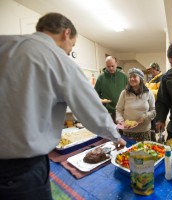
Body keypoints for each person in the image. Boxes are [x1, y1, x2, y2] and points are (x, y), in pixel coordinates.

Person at [0, 13, 126, 200]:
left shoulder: (5, 44)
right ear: (66, 33)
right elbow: (92, 110)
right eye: (72, 45)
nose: (69, 51)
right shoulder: (59, 59)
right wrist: (116, 137)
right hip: (20, 170)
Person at [116, 68, 156, 141]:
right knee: (128, 152)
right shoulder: (124, 93)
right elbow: (118, 110)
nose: (131, 79)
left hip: (144, 131)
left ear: (140, 78)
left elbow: (153, 111)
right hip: (128, 131)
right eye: (130, 77)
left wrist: (144, 117)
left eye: (134, 76)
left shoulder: (148, 93)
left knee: (144, 152)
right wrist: (121, 121)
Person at [94, 56, 128, 123]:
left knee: (122, 131)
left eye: (112, 66)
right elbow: (95, 93)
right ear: (105, 65)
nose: (111, 68)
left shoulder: (123, 76)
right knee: (109, 132)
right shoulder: (101, 77)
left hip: (122, 111)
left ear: (116, 64)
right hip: (107, 111)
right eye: (108, 66)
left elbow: (129, 92)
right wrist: (100, 101)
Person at [145, 62, 163, 140]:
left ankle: (160, 141)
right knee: (152, 125)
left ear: (155, 69)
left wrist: (149, 91)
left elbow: (160, 92)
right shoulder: (152, 78)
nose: (150, 71)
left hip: (157, 105)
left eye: (151, 69)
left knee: (158, 125)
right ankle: (152, 140)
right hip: (150, 105)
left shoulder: (160, 78)